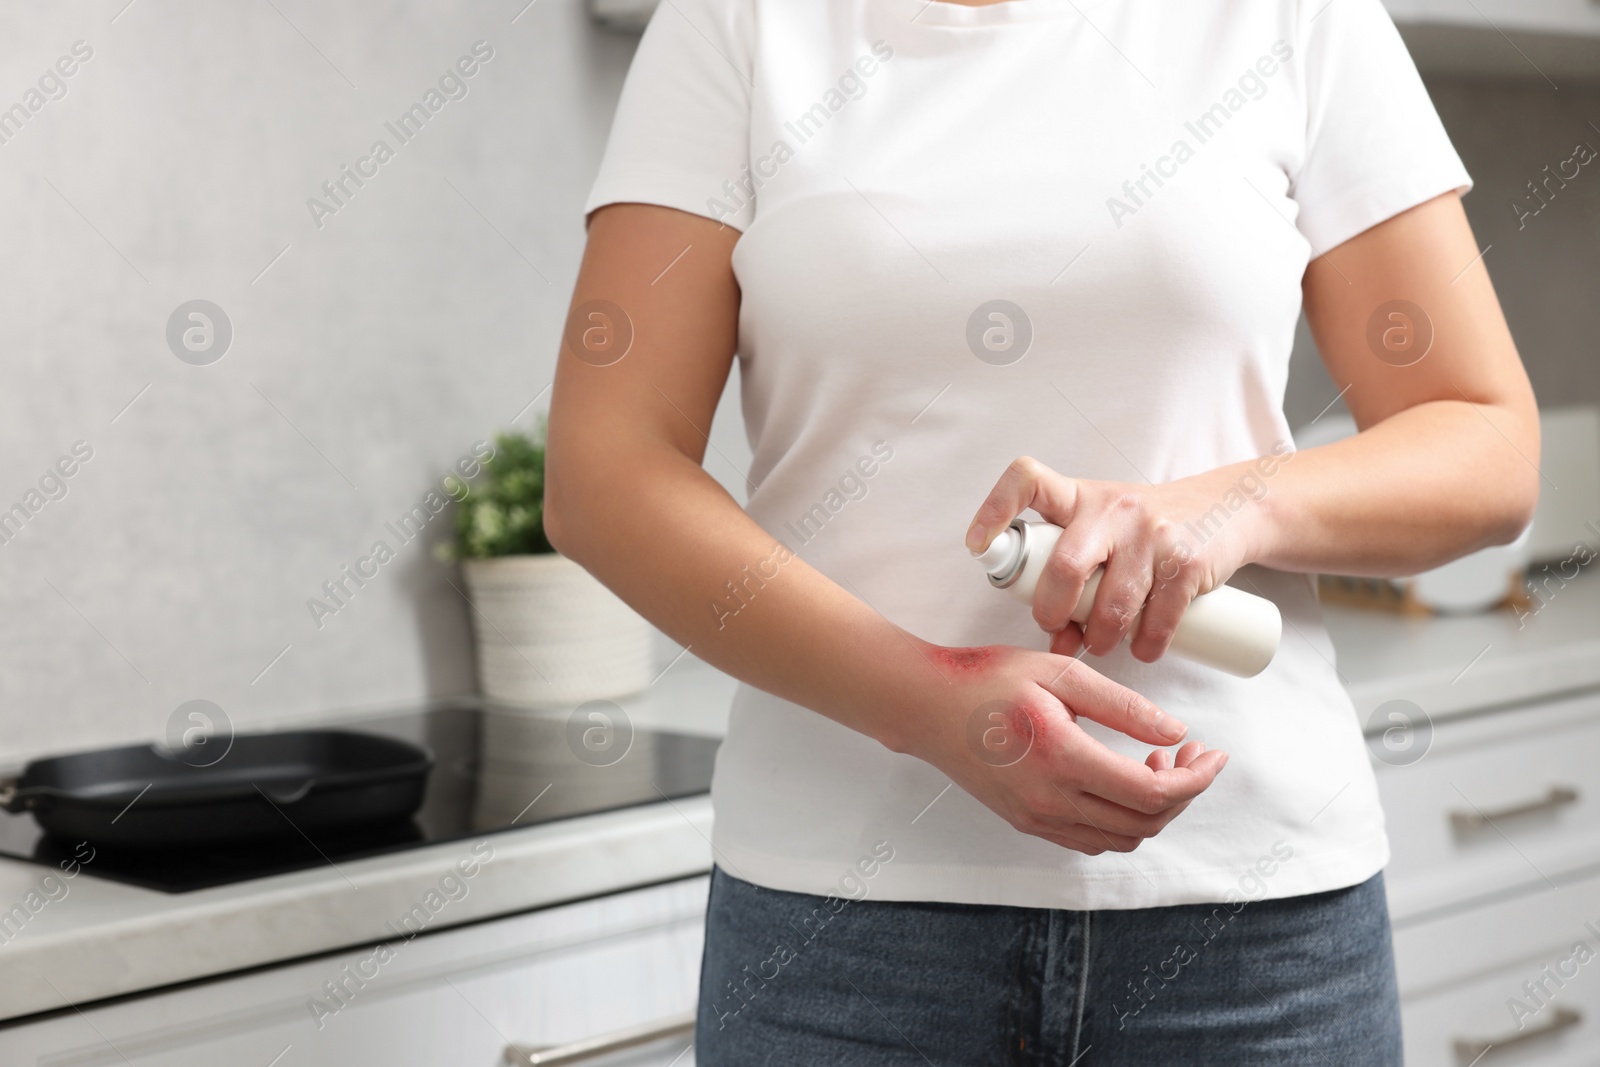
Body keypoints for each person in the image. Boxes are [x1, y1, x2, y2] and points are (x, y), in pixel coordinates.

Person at [545, 0, 1539, 1061]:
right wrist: (925, 699)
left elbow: (1484, 442)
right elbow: (607, 472)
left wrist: (1225, 504)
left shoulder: (1295, 17)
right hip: (842, 933)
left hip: (1253, 931)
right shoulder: (737, 24)